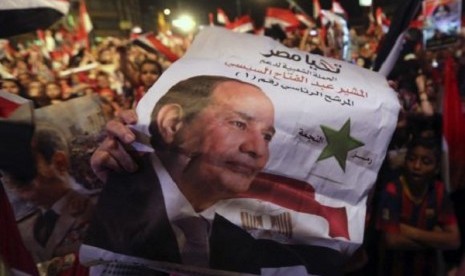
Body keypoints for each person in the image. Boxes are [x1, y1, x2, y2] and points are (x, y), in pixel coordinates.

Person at [84, 75, 344, 275]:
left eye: (267, 136)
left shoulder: (242, 237)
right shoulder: (122, 196)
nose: (257, 150)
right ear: (173, 123)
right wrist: (106, 196)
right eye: (238, 124)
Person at [1, 122, 98, 274]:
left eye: (24, 163)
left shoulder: (95, 209)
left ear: (59, 163)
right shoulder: (20, 227)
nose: (11, 178)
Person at [375, 137, 460, 276]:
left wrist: (406, 230)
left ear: (437, 167)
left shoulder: (438, 191)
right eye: (411, 159)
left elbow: (454, 240)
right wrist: (437, 238)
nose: (417, 166)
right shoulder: (393, 190)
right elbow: (391, 240)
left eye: (426, 162)